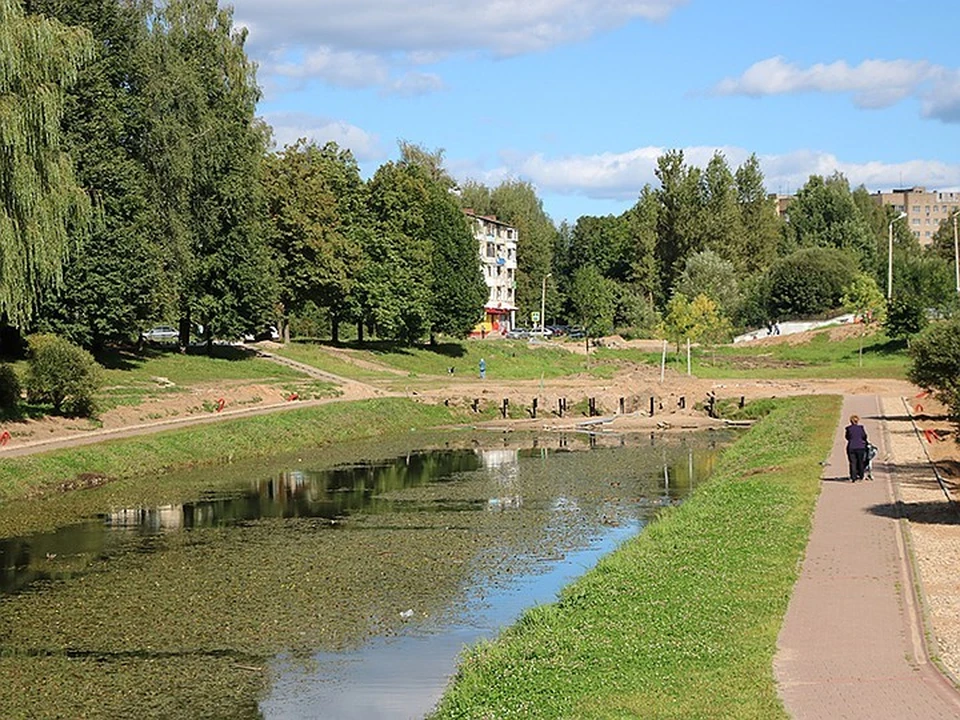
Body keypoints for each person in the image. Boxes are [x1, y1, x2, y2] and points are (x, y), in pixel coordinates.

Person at [845, 414, 869, 482]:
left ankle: (853, 477)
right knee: (860, 462)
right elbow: (864, 436)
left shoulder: (848, 429)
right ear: (857, 421)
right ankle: (861, 476)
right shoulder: (861, 428)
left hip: (851, 447)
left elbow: (847, 437)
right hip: (860, 447)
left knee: (853, 462)